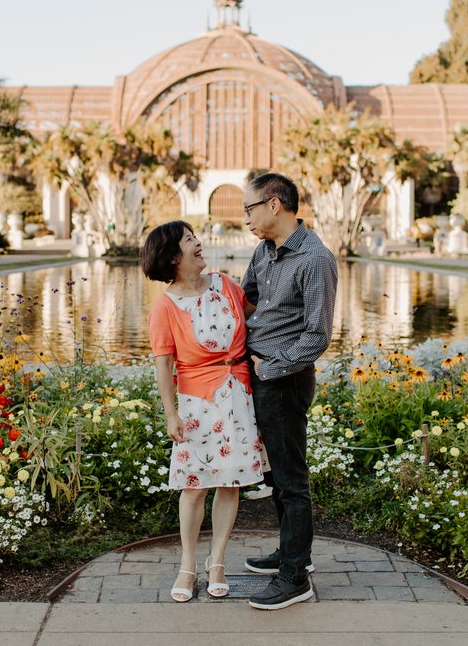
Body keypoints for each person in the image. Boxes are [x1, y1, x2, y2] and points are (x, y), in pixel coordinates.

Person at [143, 220, 265, 604]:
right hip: (196, 404)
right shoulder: (165, 307)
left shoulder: (227, 285)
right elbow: (164, 366)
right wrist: (171, 414)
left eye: (196, 237)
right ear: (172, 256)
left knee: (230, 483)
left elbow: (262, 319)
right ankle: (187, 565)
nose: (199, 243)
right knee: (194, 487)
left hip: (239, 396)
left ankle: (217, 563)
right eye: (189, 240)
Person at [240, 172, 338, 610]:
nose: (245, 218)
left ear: (274, 204)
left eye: (250, 208)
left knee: (291, 480)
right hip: (262, 376)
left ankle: (295, 578)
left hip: (285, 382)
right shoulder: (265, 249)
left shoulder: (315, 259)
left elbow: (318, 335)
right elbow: (248, 297)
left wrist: (272, 366)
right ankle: (291, 553)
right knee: (277, 476)